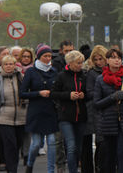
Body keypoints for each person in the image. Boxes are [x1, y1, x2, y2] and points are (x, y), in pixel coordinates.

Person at [94, 48, 123, 173]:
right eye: (113, 57)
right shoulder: (100, 79)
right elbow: (97, 103)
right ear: (107, 60)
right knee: (110, 155)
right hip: (108, 123)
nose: (117, 60)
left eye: (119, 58)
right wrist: (112, 97)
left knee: (122, 153)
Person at [0, 55, 27, 173]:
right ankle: (11, 170)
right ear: (2, 65)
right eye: (6, 64)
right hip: (3, 117)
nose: (8, 66)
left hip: (21, 116)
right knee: (10, 144)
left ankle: (11, 166)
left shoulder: (21, 77)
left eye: (11, 64)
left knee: (17, 144)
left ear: (15, 65)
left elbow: (28, 94)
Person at [20, 45, 59, 173]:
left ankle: (51, 170)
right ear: (38, 57)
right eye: (45, 56)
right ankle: (30, 164)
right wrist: (38, 93)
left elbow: (58, 90)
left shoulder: (54, 71)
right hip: (36, 111)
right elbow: (22, 93)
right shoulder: (31, 72)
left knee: (52, 142)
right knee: (36, 143)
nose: (48, 59)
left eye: (49, 56)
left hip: (51, 110)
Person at [52, 50, 87, 173]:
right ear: (70, 63)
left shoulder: (84, 75)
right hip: (66, 116)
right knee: (71, 146)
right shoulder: (62, 76)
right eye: (78, 63)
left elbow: (90, 93)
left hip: (81, 116)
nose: (80, 65)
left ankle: (74, 166)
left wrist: (84, 95)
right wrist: (68, 95)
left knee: (78, 148)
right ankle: (73, 171)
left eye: (81, 63)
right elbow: (53, 93)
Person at [82, 45, 108, 173]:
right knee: (98, 141)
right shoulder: (91, 73)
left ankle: (102, 166)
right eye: (96, 59)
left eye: (100, 59)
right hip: (93, 110)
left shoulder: (111, 71)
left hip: (108, 110)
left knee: (104, 143)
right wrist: (105, 93)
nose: (98, 62)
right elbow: (89, 92)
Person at [52, 40, 73, 172]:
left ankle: (73, 163)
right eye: (66, 51)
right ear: (61, 51)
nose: (69, 54)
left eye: (71, 50)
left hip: (74, 109)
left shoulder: (78, 65)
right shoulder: (56, 65)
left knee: (71, 141)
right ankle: (60, 164)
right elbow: (54, 90)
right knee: (59, 139)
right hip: (59, 107)